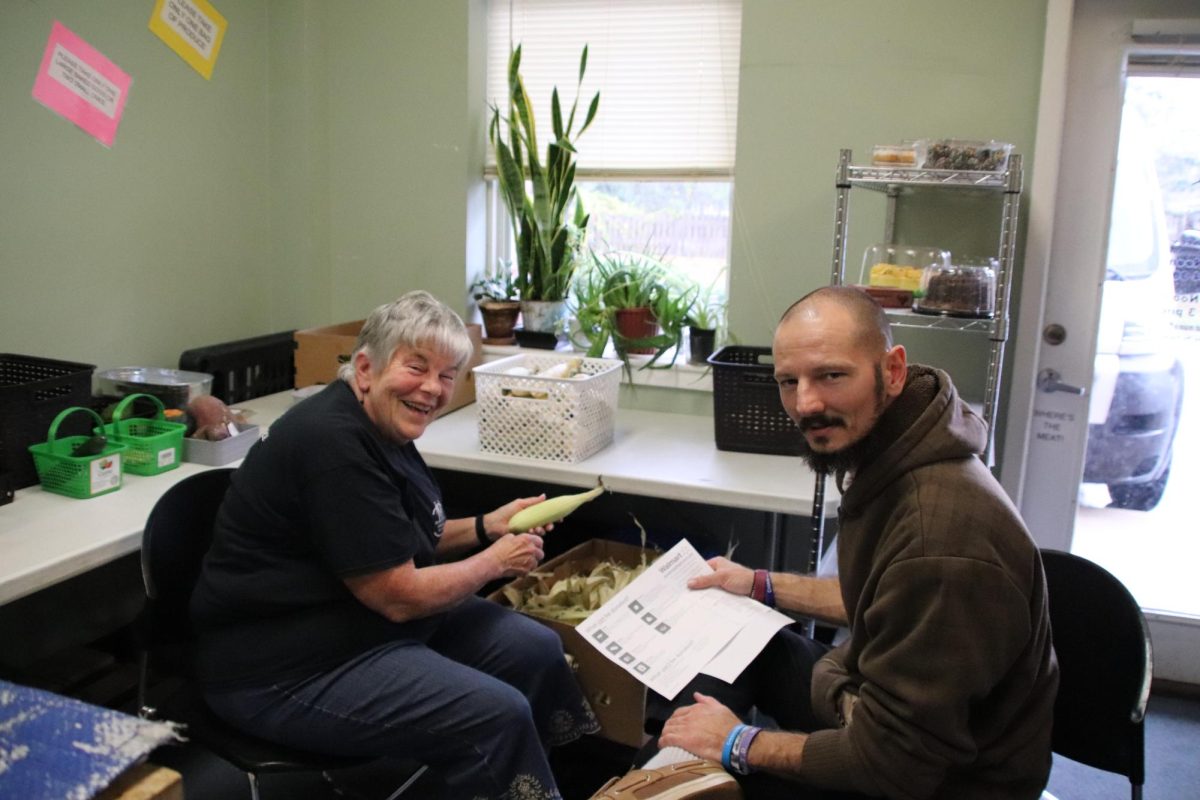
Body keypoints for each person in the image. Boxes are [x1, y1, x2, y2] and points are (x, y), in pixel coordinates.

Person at [649, 286, 1059, 799]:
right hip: (872, 705)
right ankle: (669, 766)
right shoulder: (900, 450)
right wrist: (757, 584)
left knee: (726, 775)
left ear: (891, 370)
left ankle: (667, 770)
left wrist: (739, 742)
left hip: (943, 783)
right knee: (747, 646)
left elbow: (894, 766)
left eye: (831, 375)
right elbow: (881, 597)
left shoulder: (940, 543)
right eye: (788, 381)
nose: (805, 404)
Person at [190, 290, 599, 799]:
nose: (433, 388)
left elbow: (391, 537)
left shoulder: (381, 426)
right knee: (496, 714)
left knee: (536, 650)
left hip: (353, 623)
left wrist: (485, 526)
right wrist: (493, 562)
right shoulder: (333, 446)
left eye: (448, 374)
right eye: (417, 367)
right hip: (282, 667)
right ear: (365, 368)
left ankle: (541, 783)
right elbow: (399, 594)